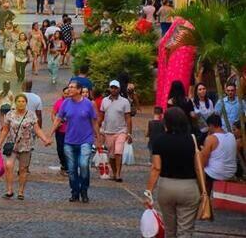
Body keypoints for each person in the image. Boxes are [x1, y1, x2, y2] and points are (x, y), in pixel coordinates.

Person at [145, 107, 200, 238]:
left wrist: (148, 191)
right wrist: (203, 190)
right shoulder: (191, 140)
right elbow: (198, 167)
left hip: (166, 186)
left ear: (166, 122)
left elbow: (156, 168)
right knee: (185, 231)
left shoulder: (159, 141)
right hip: (189, 187)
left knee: (170, 230)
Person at [50, 81, 101, 203]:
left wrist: (98, 137)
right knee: (72, 170)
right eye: (69, 87)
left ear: (79, 90)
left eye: (72, 87)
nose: (69, 89)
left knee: (83, 165)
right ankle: (74, 192)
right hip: (69, 141)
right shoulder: (65, 103)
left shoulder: (88, 104)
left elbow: (94, 121)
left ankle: (84, 190)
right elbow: (58, 119)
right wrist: (49, 134)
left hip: (85, 140)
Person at [0, 94, 52, 200]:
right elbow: (5, 130)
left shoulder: (31, 115)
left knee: (23, 169)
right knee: (8, 166)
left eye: (23, 101)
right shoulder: (9, 114)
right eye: (19, 101)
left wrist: (45, 139)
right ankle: (9, 190)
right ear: (15, 103)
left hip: (26, 145)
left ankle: (21, 191)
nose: (21, 103)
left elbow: (37, 129)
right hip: (12, 144)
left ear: (26, 103)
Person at [98, 80, 132, 182]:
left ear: (119, 89)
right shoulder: (105, 101)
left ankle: (118, 174)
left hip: (121, 131)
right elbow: (101, 116)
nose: (113, 89)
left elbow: (128, 118)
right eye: (112, 87)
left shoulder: (125, 102)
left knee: (118, 152)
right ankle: (114, 172)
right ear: (109, 88)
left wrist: (129, 133)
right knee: (111, 155)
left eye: (115, 88)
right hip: (108, 131)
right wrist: (98, 129)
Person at [201, 114, 237, 195]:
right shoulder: (231, 136)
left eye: (208, 127)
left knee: (198, 161)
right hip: (231, 173)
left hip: (216, 174)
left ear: (211, 125)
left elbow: (204, 162)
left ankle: (204, 193)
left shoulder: (211, 138)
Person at [52, 87, 70, 174]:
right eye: (65, 93)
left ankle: (68, 166)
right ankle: (63, 163)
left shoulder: (73, 103)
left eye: (68, 93)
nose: (67, 95)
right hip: (60, 130)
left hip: (70, 131)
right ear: (62, 94)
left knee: (68, 149)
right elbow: (53, 114)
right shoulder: (58, 103)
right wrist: (55, 122)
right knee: (60, 149)